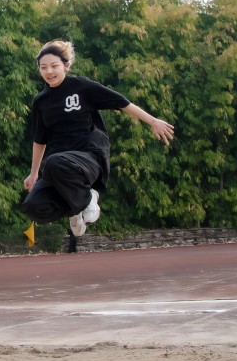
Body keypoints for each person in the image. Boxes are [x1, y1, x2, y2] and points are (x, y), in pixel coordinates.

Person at [22, 40, 174, 237]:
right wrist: (34, 174)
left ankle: (88, 197)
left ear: (66, 66)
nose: (49, 71)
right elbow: (39, 140)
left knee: (54, 162)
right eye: (43, 67)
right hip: (59, 165)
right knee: (33, 206)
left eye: (54, 66)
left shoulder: (81, 87)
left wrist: (153, 121)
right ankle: (75, 209)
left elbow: (120, 102)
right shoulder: (41, 101)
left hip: (88, 157)